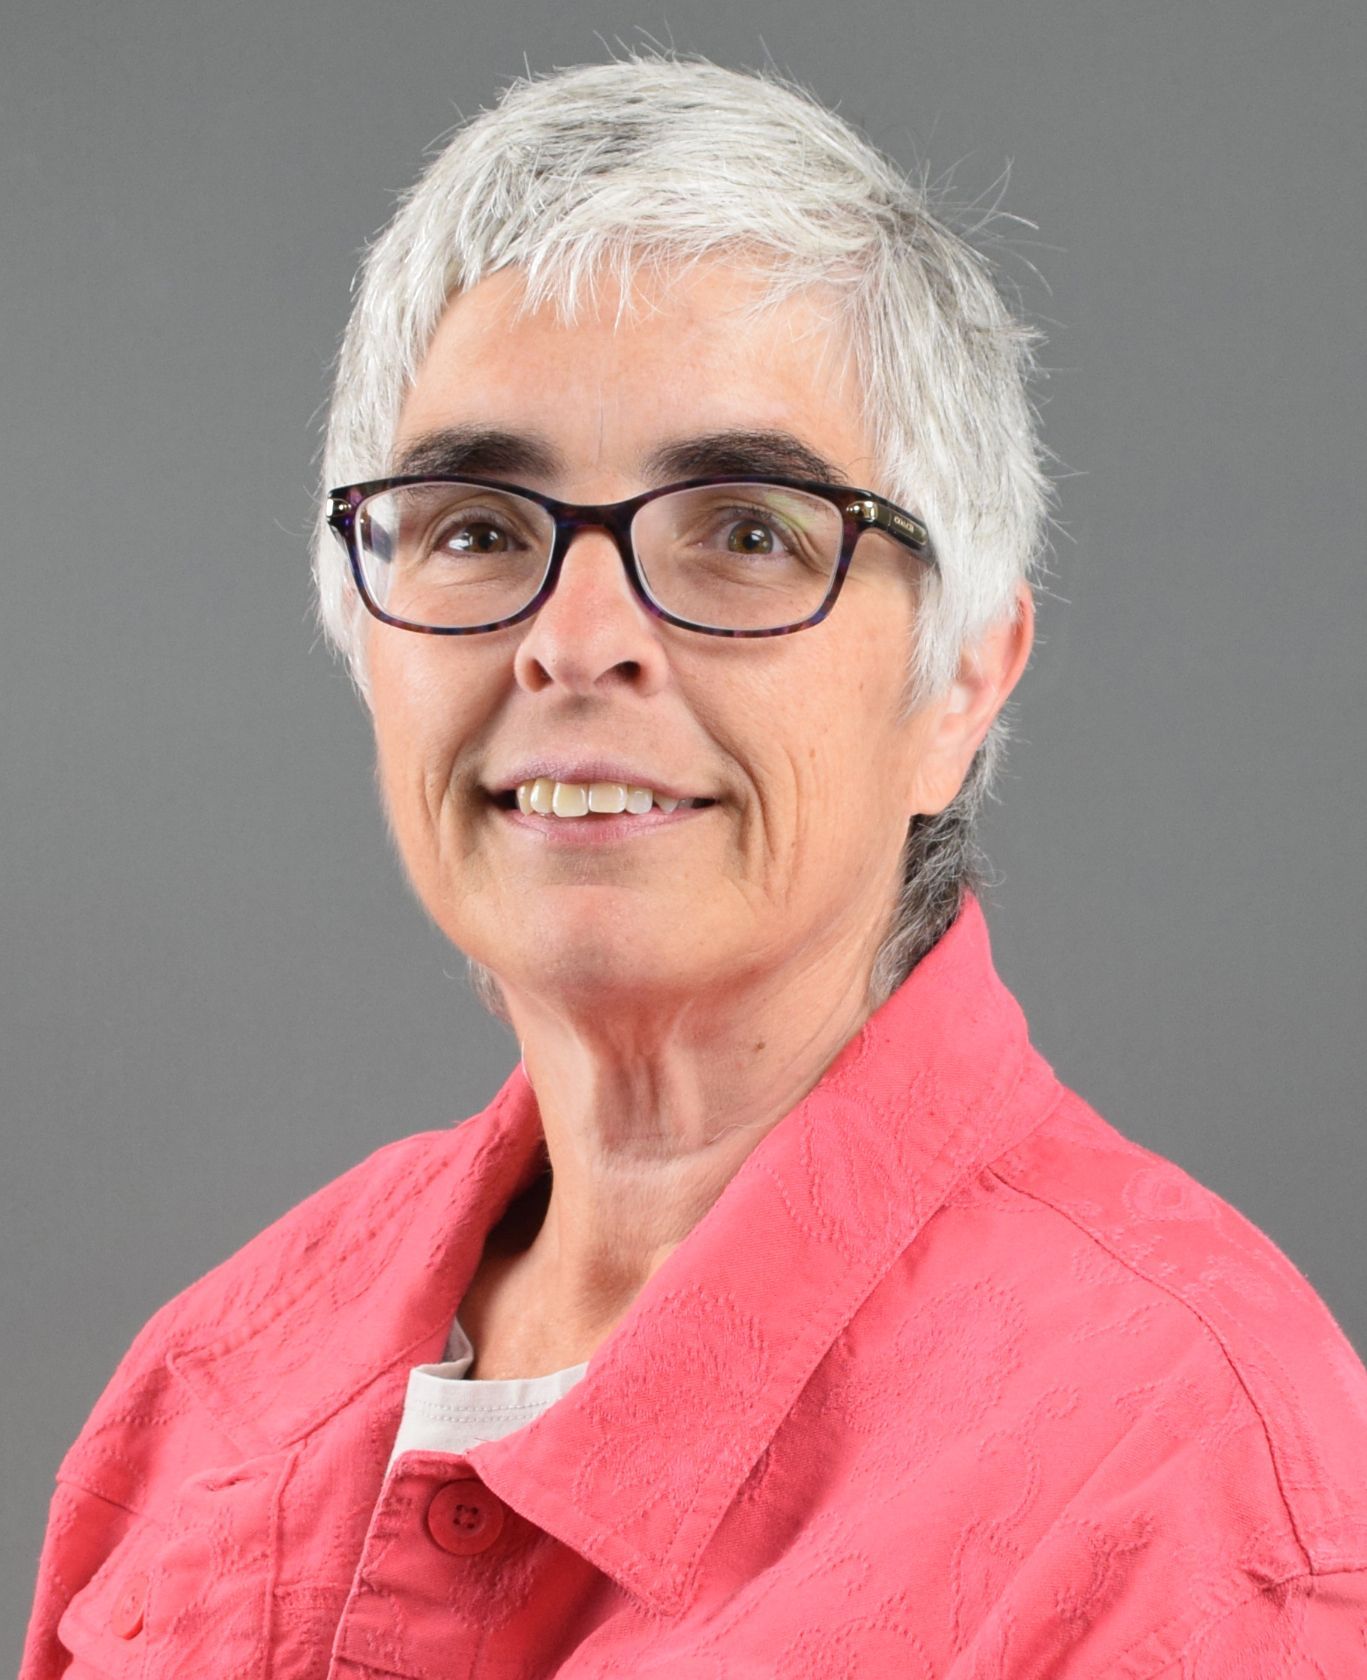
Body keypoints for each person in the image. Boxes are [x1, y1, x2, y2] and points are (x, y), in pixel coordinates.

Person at [22, 55, 1367, 1679]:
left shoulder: (1189, 1493)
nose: (577, 645)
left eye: (744, 530)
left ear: (960, 684)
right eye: (477, 526)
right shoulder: (209, 1391)